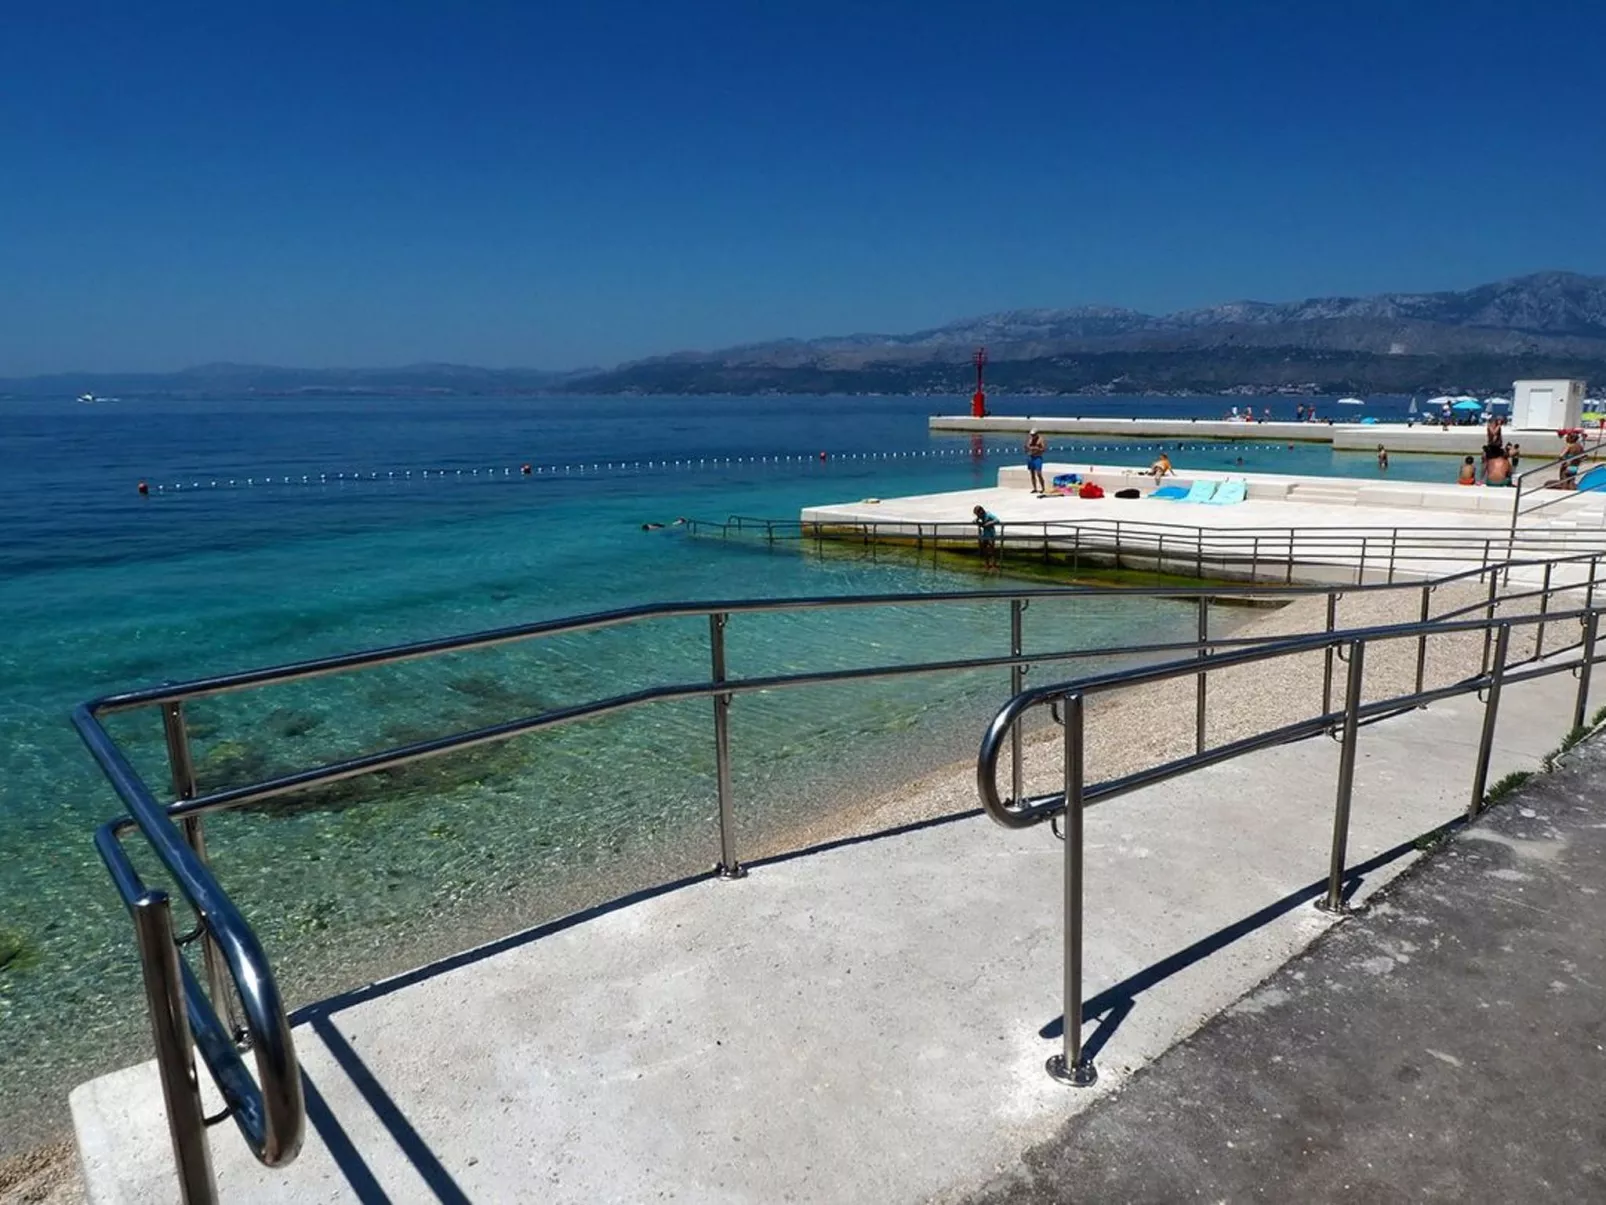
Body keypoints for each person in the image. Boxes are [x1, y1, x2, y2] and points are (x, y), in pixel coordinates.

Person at [973, 505, 1000, 571]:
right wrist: (976, 520)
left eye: (977, 514)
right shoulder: (980, 517)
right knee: (985, 550)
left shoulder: (988, 514)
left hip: (991, 535)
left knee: (991, 549)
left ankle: (994, 564)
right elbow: (974, 521)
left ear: (981, 511)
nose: (977, 516)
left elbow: (997, 520)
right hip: (985, 535)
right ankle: (987, 564)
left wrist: (990, 523)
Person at [1025, 429, 1047, 494]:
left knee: (1039, 473)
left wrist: (1037, 449)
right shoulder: (1030, 440)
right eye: (1031, 435)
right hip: (1031, 457)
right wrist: (1027, 449)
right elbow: (1026, 447)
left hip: (1037, 458)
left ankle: (1043, 488)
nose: (1032, 436)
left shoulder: (1040, 440)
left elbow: (1044, 449)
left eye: (1033, 435)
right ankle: (1034, 488)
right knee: (1032, 473)